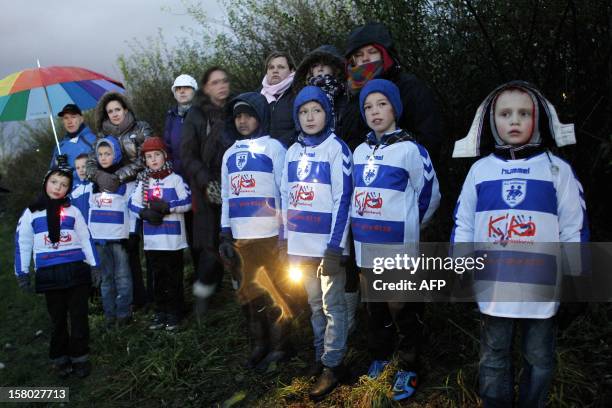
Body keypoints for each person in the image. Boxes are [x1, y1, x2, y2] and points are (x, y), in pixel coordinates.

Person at [451, 81, 589, 407]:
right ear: (491, 121)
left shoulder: (557, 170)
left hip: (543, 290)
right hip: (493, 289)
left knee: (539, 359)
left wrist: (577, 281)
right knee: (493, 357)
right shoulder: (480, 171)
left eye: (523, 113)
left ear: (537, 119)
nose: (514, 121)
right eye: (505, 113)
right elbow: (464, 225)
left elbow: (574, 228)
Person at [352, 79, 440, 400]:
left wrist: (410, 226)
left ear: (395, 108)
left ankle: (409, 365)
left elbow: (429, 195)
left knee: (400, 305)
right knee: (374, 305)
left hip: (397, 245)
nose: (375, 112)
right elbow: (353, 195)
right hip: (365, 244)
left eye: (382, 104)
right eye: (368, 106)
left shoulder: (411, 150)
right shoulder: (359, 151)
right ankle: (381, 356)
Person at [281, 86, 352, 400]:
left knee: (333, 306)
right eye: (303, 112)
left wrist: (335, 246)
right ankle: (319, 355)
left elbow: (343, 199)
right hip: (300, 246)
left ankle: (332, 366)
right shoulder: (292, 151)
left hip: (328, 247)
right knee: (313, 306)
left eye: (316, 110)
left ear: (328, 113)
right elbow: (285, 197)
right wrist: (285, 240)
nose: (310, 117)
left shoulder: (337, 149)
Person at [218, 92, 291, 371]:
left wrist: (284, 235)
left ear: (260, 116)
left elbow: (284, 192)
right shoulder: (229, 154)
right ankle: (259, 345)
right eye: (238, 116)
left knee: (277, 294)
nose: (243, 120)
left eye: (248, 115)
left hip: (270, 236)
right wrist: (225, 234)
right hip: (241, 237)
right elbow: (226, 196)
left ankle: (281, 347)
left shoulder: (274, 148)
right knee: (250, 296)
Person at [295, 45, 361, 332]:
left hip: (347, 179)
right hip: (314, 189)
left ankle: (348, 325)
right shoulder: (300, 103)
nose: (320, 72)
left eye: (325, 68)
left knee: (345, 262)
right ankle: (330, 333)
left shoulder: (348, 97)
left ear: (336, 70)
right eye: (315, 68)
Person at [14, 157, 98, 378]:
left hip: (76, 271)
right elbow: (23, 243)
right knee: (58, 319)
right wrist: (22, 272)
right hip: (50, 274)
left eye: (63, 185)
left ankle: (80, 356)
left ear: (68, 189)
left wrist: (94, 265)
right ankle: (60, 357)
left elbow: (86, 238)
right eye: (54, 182)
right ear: (46, 182)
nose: (58, 188)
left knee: (79, 317)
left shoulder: (73, 212)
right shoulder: (31, 212)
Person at [86, 91, 152, 309]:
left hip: (141, 188)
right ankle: (133, 299)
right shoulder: (102, 135)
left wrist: (118, 176)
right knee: (125, 248)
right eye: (109, 111)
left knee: (146, 244)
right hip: (114, 195)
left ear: (125, 109)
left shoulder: (140, 128)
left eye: (117, 109)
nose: (114, 114)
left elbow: (146, 157)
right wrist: (100, 176)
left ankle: (150, 296)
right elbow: (90, 164)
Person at [339, 22, 443, 160]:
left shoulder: (408, 87)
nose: (365, 58)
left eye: (372, 52)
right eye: (359, 54)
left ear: (384, 54)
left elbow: (430, 137)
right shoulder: (351, 94)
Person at [181, 67, 231, 316]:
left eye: (224, 81)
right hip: (206, 190)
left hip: (235, 186)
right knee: (210, 247)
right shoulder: (196, 115)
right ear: (206, 87)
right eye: (215, 82)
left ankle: (234, 295)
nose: (221, 86)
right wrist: (207, 182)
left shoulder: (235, 110)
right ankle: (202, 303)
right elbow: (187, 155)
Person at [129, 137, 191, 331]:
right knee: (158, 278)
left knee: (173, 277)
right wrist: (143, 212)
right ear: (145, 160)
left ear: (165, 156)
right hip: (153, 241)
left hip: (172, 241)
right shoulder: (144, 181)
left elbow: (187, 202)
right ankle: (161, 311)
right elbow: (132, 203)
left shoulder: (175, 179)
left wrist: (168, 207)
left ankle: (175, 312)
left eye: (157, 155)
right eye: (149, 156)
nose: (153, 159)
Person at [89, 136, 136, 328]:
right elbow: (90, 211)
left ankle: (124, 314)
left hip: (119, 238)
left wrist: (132, 233)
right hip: (100, 239)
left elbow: (132, 209)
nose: (103, 157)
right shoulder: (94, 182)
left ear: (116, 154)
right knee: (106, 279)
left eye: (107, 153)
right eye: (100, 154)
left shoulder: (125, 181)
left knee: (123, 277)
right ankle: (110, 316)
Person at [260, 51, 297, 147]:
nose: (275, 71)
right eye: (271, 67)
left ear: (292, 70)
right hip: (262, 155)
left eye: (281, 67)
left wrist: (278, 146)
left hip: (291, 153)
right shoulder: (257, 97)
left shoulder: (299, 94)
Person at [50, 104, 96, 176]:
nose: (69, 121)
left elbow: (101, 168)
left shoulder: (93, 140)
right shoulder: (60, 147)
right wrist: (56, 166)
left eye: (73, 117)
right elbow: (52, 176)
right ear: (63, 121)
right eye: (66, 118)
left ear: (81, 119)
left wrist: (70, 172)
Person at [70, 154, 93, 223]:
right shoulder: (73, 190)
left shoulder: (96, 185)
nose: (81, 170)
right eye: (78, 168)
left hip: (97, 229)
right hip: (81, 230)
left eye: (84, 167)